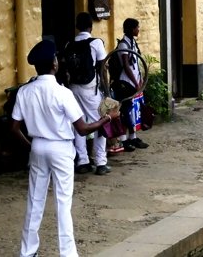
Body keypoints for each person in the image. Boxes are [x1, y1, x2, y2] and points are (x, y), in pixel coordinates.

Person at [10, 40, 119, 257]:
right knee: (63, 202)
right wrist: (107, 117)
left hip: (38, 146)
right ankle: (67, 253)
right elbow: (82, 128)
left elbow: (14, 127)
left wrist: (31, 146)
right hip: (60, 149)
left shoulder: (25, 91)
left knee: (35, 201)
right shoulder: (62, 93)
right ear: (54, 64)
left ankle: (28, 252)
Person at [68, 12, 111, 175]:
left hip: (73, 88)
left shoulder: (69, 44)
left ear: (77, 26)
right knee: (100, 122)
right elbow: (102, 68)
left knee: (78, 124)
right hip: (90, 89)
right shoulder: (96, 43)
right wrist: (106, 92)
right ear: (91, 26)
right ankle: (101, 162)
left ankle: (83, 161)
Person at [110, 17, 149, 151]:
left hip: (134, 81)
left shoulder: (132, 43)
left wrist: (141, 78)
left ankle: (133, 137)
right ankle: (124, 140)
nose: (138, 30)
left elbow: (136, 64)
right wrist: (134, 81)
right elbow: (126, 66)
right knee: (126, 110)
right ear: (132, 29)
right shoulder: (123, 45)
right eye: (137, 27)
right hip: (125, 82)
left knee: (131, 109)